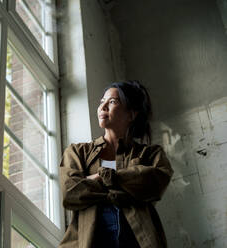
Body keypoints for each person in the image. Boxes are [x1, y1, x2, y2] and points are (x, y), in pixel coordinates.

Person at [59, 81, 173, 248]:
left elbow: (156, 182)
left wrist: (98, 178)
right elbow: (71, 192)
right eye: (102, 101)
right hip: (89, 241)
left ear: (131, 114)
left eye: (112, 102)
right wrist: (127, 182)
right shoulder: (77, 152)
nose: (103, 107)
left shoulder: (150, 154)